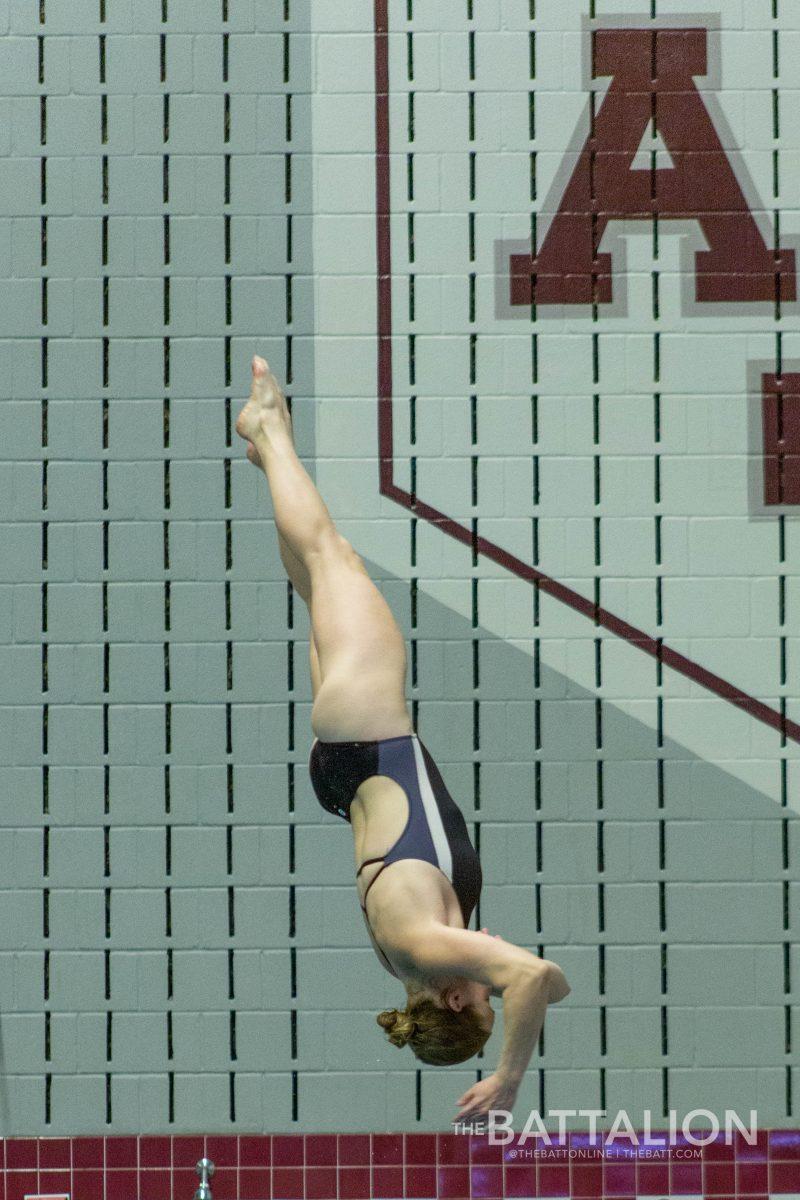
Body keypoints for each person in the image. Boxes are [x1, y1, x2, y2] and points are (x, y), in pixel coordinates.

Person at [235, 356, 570, 1122]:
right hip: (351, 769)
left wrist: (510, 1079)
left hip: (371, 738)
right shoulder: (414, 953)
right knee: (322, 579)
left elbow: (536, 977)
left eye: (479, 1001)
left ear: (454, 997)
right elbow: (548, 983)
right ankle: (269, 459)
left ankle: (270, 433)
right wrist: (490, 966)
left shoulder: (422, 941)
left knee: (333, 560)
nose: (490, 985)